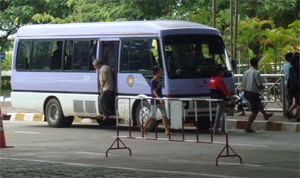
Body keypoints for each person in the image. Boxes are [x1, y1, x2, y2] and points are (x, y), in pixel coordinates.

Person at [242, 58, 273, 132]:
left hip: (246, 92)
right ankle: (248, 126)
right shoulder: (256, 73)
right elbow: (259, 84)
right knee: (255, 111)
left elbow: (242, 83)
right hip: (253, 93)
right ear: (256, 64)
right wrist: (263, 87)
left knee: (258, 103)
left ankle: (265, 115)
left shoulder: (245, 72)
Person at [143, 66, 174, 135]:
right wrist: (159, 98)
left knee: (164, 115)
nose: (161, 73)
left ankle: (167, 130)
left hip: (160, 100)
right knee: (152, 116)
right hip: (155, 101)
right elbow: (154, 91)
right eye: (160, 72)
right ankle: (144, 128)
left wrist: (161, 98)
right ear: (156, 73)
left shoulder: (160, 80)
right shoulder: (152, 81)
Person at [209, 65, 236, 135]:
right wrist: (232, 99)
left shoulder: (212, 78)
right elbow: (225, 90)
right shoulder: (219, 79)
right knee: (219, 114)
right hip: (220, 99)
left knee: (224, 113)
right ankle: (216, 130)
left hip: (215, 98)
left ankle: (222, 128)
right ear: (220, 72)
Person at [287, 55, 300, 121]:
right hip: (298, 87)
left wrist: (288, 87)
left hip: (292, 87)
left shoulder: (291, 69)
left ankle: (289, 111)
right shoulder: (298, 68)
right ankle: (298, 117)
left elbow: (290, 79)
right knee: (299, 103)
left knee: (297, 102)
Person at [283, 52, 296, 119]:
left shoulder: (284, 65)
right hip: (292, 84)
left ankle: (289, 112)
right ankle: (290, 112)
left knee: (289, 100)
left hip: (286, 84)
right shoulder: (292, 66)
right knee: (296, 100)